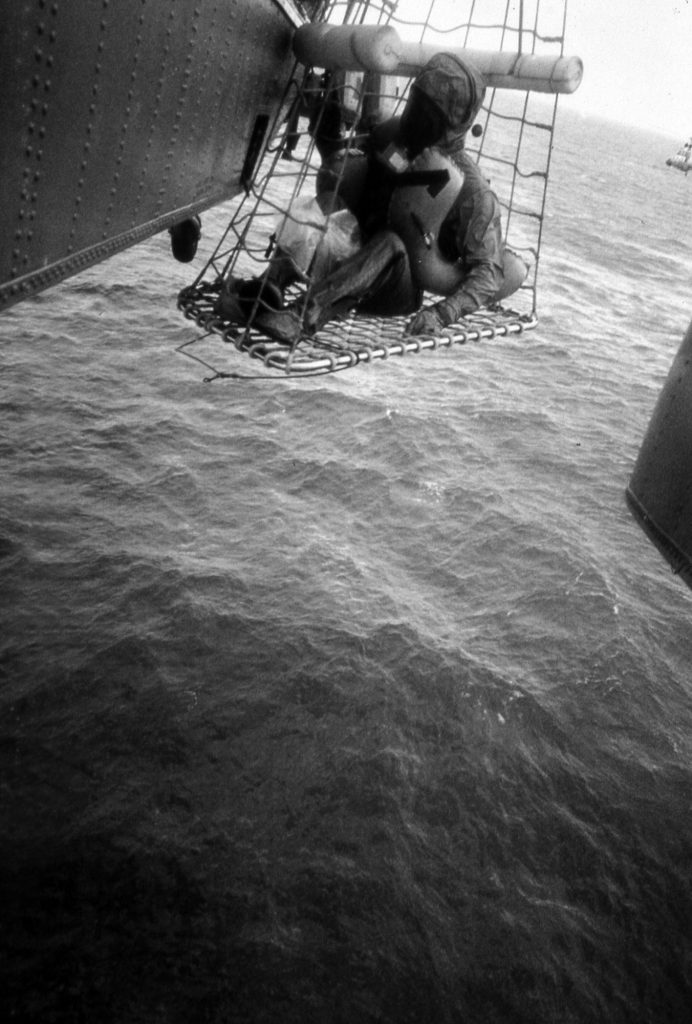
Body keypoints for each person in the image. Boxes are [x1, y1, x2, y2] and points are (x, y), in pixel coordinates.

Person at [216, 52, 527, 345]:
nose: (416, 118)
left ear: (452, 125)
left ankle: (301, 318)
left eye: (429, 115)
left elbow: (488, 273)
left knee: (391, 243)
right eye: (416, 104)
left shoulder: (472, 192)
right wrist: (325, 129)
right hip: (350, 251)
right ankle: (270, 286)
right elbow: (340, 168)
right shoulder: (391, 136)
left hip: (396, 285)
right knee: (318, 208)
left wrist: (442, 314)